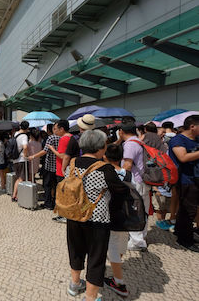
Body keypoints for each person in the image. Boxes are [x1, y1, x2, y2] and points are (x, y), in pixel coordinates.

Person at [64, 130, 128, 301]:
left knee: (75, 250)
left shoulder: (72, 164)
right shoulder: (105, 168)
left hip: (73, 215)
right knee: (96, 257)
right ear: (100, 148)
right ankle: (91, 298)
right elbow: (121, 191)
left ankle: (75, 284)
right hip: (97, 219)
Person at [103, 143, 131, 297]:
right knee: (120, 244)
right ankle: (117, 267)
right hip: (126, 215)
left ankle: (119, 282)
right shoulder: (128, 174)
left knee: (112, 246)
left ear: (105, 156)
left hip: (110, 215)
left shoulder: (105, 173)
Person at [168, 115, 199, 252]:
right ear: (192, 126)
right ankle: (185, 239)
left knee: (188, 209)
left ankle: (180, 231)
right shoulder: (178, 139)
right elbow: (183, 157)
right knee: (188, 210)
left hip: (195, 179)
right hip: (185, 180)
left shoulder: (196, 139)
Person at [118, 122, 150, 251]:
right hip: (143, 180)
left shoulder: (130, 145)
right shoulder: (139, 142)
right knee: (143, 209)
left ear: (121, 131)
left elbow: (128, 165)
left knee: (134, 209)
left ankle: (137, 242)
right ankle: (141, 236)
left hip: (136, 181)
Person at [48, 120, 80, 222]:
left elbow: (63, 156)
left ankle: (64, 215)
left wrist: (52, 149)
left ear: (62, 129)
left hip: (62, 170)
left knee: (63, 194)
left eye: (56, 128)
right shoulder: (71, 137)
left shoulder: (64, 139)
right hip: (70, 169)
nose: (54, 131)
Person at [29, 124, 60, 209]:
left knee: (47, 185)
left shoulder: (51, 138)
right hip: (58, 166)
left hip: (49, 165)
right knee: (55, 185)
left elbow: (45, 151)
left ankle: (48, 203)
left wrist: (34, 156)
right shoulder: (62, 138)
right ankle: (55, 202)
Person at [12, 121, 30, 202]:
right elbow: (25, 147)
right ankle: (18, 196)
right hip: (21, 160)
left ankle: (14, 195)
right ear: (27, 128)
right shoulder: (24, 136)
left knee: (18, 178)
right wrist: (25, 156)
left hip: (15, 159)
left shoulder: (16, 134)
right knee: (21, 178)